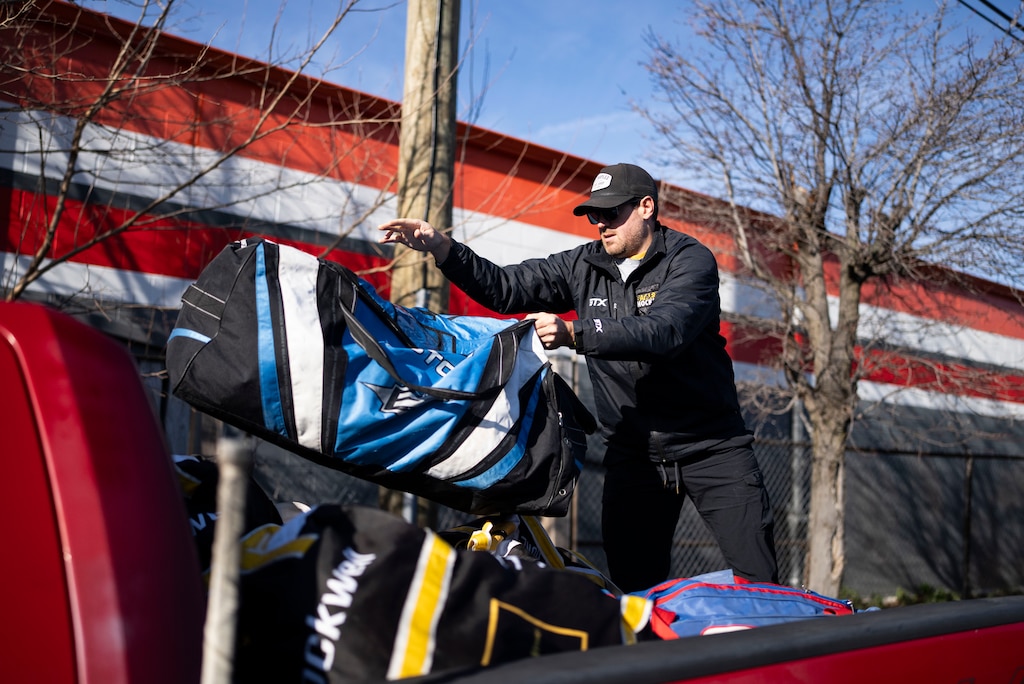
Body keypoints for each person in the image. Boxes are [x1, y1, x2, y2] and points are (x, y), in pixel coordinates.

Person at [378, 163, 778, 593]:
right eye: (594, 214)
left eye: (612, 212)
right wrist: (442, 248)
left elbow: (666, 332)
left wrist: (574, 332)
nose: (601, 223)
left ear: (647, 207)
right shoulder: (582, 265)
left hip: (712, 447)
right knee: (635, 592)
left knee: (761, 583)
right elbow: (504, 288)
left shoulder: (689, 260)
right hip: (635, 456)